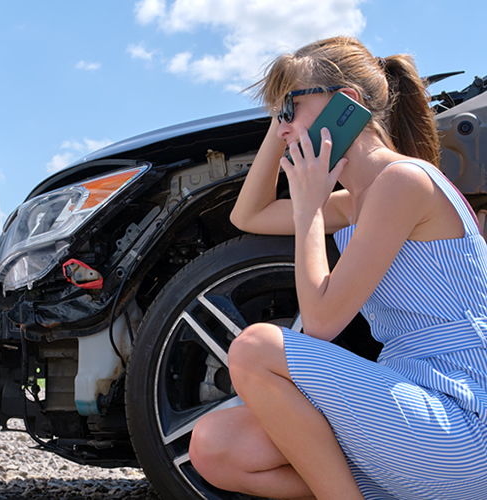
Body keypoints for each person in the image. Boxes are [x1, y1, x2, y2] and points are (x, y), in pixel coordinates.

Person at [188, 36, 487, 500]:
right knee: (215, 446)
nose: (282, 128)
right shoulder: (355, 204)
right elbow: (246, 215)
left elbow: (323, 323)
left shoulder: (404, 181)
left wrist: (308, 208)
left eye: (289, 110)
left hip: (463, 418)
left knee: (255, 348)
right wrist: (281, 123)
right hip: (412, 406)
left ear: (345, 106)